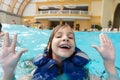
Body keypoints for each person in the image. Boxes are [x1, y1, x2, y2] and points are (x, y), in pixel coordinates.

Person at [0, 24, 119, 80]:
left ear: (75, 48)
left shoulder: (87, 73)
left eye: (70, 37)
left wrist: (109, 64)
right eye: (59, 36)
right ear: (49, 45)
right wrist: (8, 72)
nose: (65, 38)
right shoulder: (34, 71)